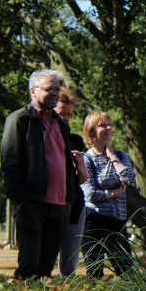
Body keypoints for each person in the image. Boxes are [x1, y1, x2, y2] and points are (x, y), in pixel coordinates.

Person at [1, 69, 84, 279]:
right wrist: (20, 200)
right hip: (32, 203)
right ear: (33, 91)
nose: (55, 93)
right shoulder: (20, 120)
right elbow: (10, 162)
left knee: (46, 270)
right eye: (49, 89)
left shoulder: (61, 124)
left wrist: (70, 198)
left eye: (57, 88)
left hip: (60, 206)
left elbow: (65, 162)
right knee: (29, 267)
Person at [80, 111, 135, 277]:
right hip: (95, 221)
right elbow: (90, 194)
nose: (108, 128)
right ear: (91, 131)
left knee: (126, 271)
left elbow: (130, 178)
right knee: (94, 272)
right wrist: (117, 191)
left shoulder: (120, 155)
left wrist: (112, 157)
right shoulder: (86, 158)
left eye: (109, 124)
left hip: (118, 220)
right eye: (103, 125)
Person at [55, 88, 89, 277]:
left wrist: (79, 163)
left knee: (69, 266)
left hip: (74, 204)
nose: (65, 118)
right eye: (61, 114)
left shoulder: (75, 140)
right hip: (49, 204)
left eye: (68, 114)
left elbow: (83, 179)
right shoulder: (42, 138)